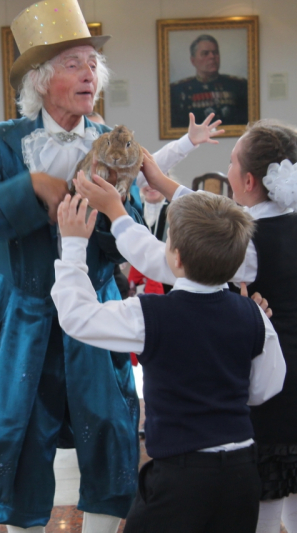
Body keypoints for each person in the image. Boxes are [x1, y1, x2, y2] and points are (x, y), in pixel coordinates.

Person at [0, 3, 223, 531]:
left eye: (92, 64)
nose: (89, 74)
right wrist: (31, 187)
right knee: (21, 439)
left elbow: (124, 242)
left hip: (97, 310)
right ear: (40, 79)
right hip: (23, 316)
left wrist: (107, 209)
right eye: (73, 63)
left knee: (110, 432)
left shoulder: (115, 143)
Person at [78, 122, 297, 533]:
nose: (227, 170)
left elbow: (166, 258)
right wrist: (163, 182)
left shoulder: (249, 244)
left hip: (273, 393)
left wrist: (116, 214)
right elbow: (220, 217)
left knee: (262, 514)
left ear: (248, 180)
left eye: (231, 162)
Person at [53, 190, 285, 532]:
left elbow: (77, 317)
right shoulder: (254, 314)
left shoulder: (151, 315)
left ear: (175, 257)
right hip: (241, 472)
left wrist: (73, 246)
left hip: (181, 475)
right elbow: (266, 388)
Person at [170, 34, 248, 128]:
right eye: (205, 53)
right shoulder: (178, 90)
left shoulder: (238, 86)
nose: (212, 56)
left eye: (215, 52)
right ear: (193, 61)